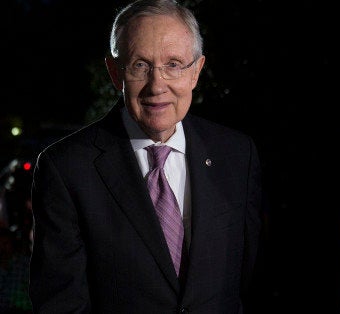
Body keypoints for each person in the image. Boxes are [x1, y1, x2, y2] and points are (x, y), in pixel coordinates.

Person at [28, 0, 262, 312]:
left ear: (196, 72)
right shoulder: (66, 168)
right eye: (140, 65)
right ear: (115, 73)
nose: (157, 85)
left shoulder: (236, 155)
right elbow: (61, 304)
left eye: (174, 65)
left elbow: (249, 279)